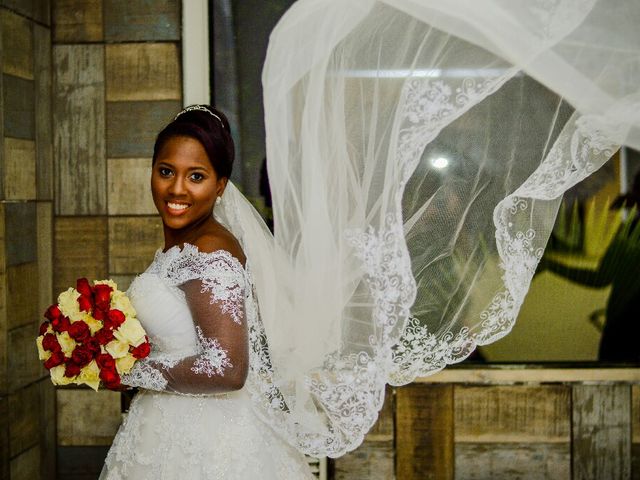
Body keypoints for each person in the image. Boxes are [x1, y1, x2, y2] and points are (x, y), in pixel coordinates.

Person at [100, 105, 314, 479]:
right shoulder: (186, 246)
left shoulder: (210, 252)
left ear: (219, 186)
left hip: (208, 443)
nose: (177, 188)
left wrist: (129, 371)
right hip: (169, 428)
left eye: (195, 176)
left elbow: (228, 368)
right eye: (166, 171)